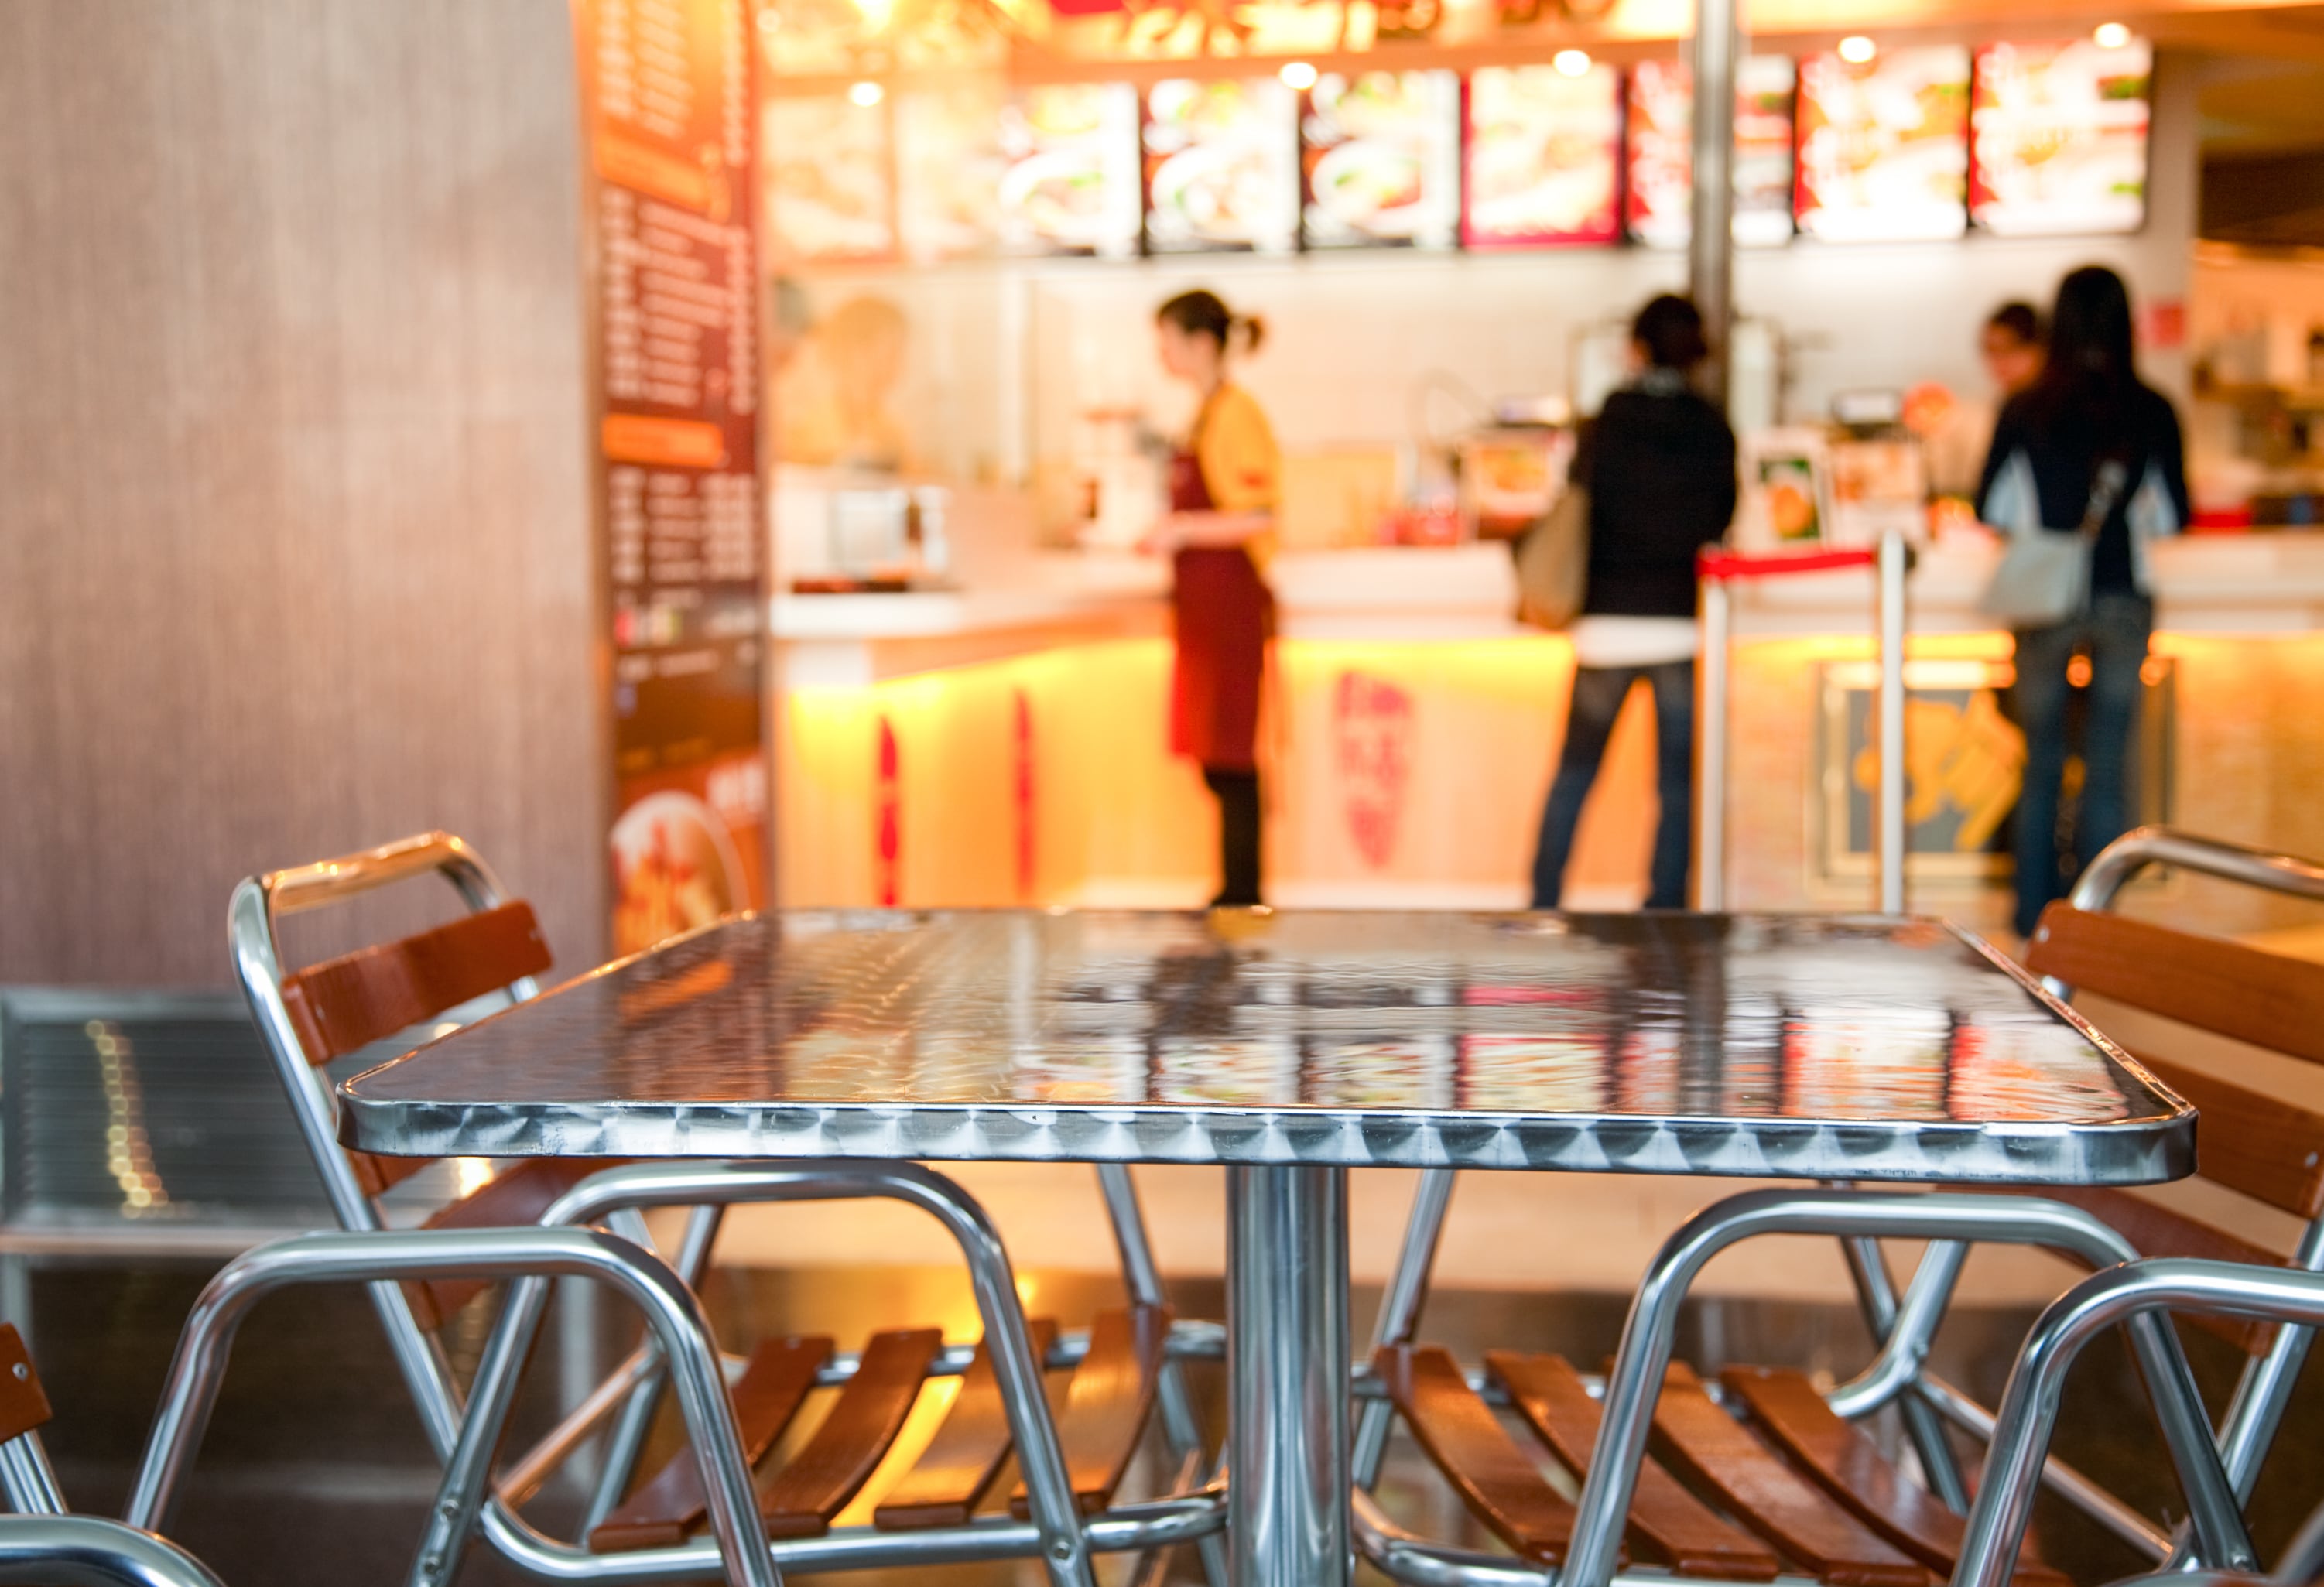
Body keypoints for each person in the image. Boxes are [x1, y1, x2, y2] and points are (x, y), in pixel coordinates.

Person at [1977, 265, 2187, 938]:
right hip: (2123, 595)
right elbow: (2172, 514)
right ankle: (2094, 929)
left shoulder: (2026, 407)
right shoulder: (2151, 409)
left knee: (2039, 760)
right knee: (2107, 761)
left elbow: (1991, 505)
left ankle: (2033, 917)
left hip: (2045, 602)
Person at [1530, 295, 1737, 910]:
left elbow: (1576, 506)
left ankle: (1543, 904)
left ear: (1636, 347)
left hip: (1604, 627)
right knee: (1674, 788)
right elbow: (1721, 516)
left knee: (1573, 776)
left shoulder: (1604, 424)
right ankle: (1666, 912)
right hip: (1679, 625)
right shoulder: (1711, 425)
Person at [1143, 290, 1281, 908]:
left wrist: (1182, 529)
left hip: (1228, 605)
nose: (1161, 353)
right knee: (1216, 753)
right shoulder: (1205, 412)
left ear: (1201, 343)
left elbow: (1258, 512)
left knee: (1231, 754)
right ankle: (1235, 891)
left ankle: (1242, 895)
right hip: (1204, 608)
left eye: (1167, 339)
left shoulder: (1235, 413)